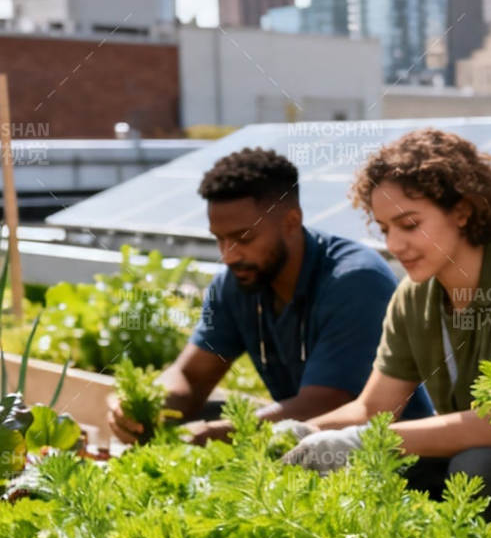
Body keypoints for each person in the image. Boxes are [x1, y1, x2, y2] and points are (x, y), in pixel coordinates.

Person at [281, 129, 491, 521]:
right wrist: (303, 432)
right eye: (385, 228)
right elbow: (375, 408)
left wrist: (368, 440)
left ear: (462, 210)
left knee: (477, 468)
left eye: (409, 225)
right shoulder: (413, 297)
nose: (393, 244)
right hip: (469, 458)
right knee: (377, 470)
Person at [107, 147, 429, 445]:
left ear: (291, 222)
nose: (229, 255)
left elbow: (324, 402)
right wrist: (145, 403)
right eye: (219, 239)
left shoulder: (354, 280)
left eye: (243, 238)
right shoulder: (236, 283)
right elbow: (190, 377)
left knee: (217, 426)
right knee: (199, 415)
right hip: (296, 442)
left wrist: (217, 434)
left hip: (382, 454)